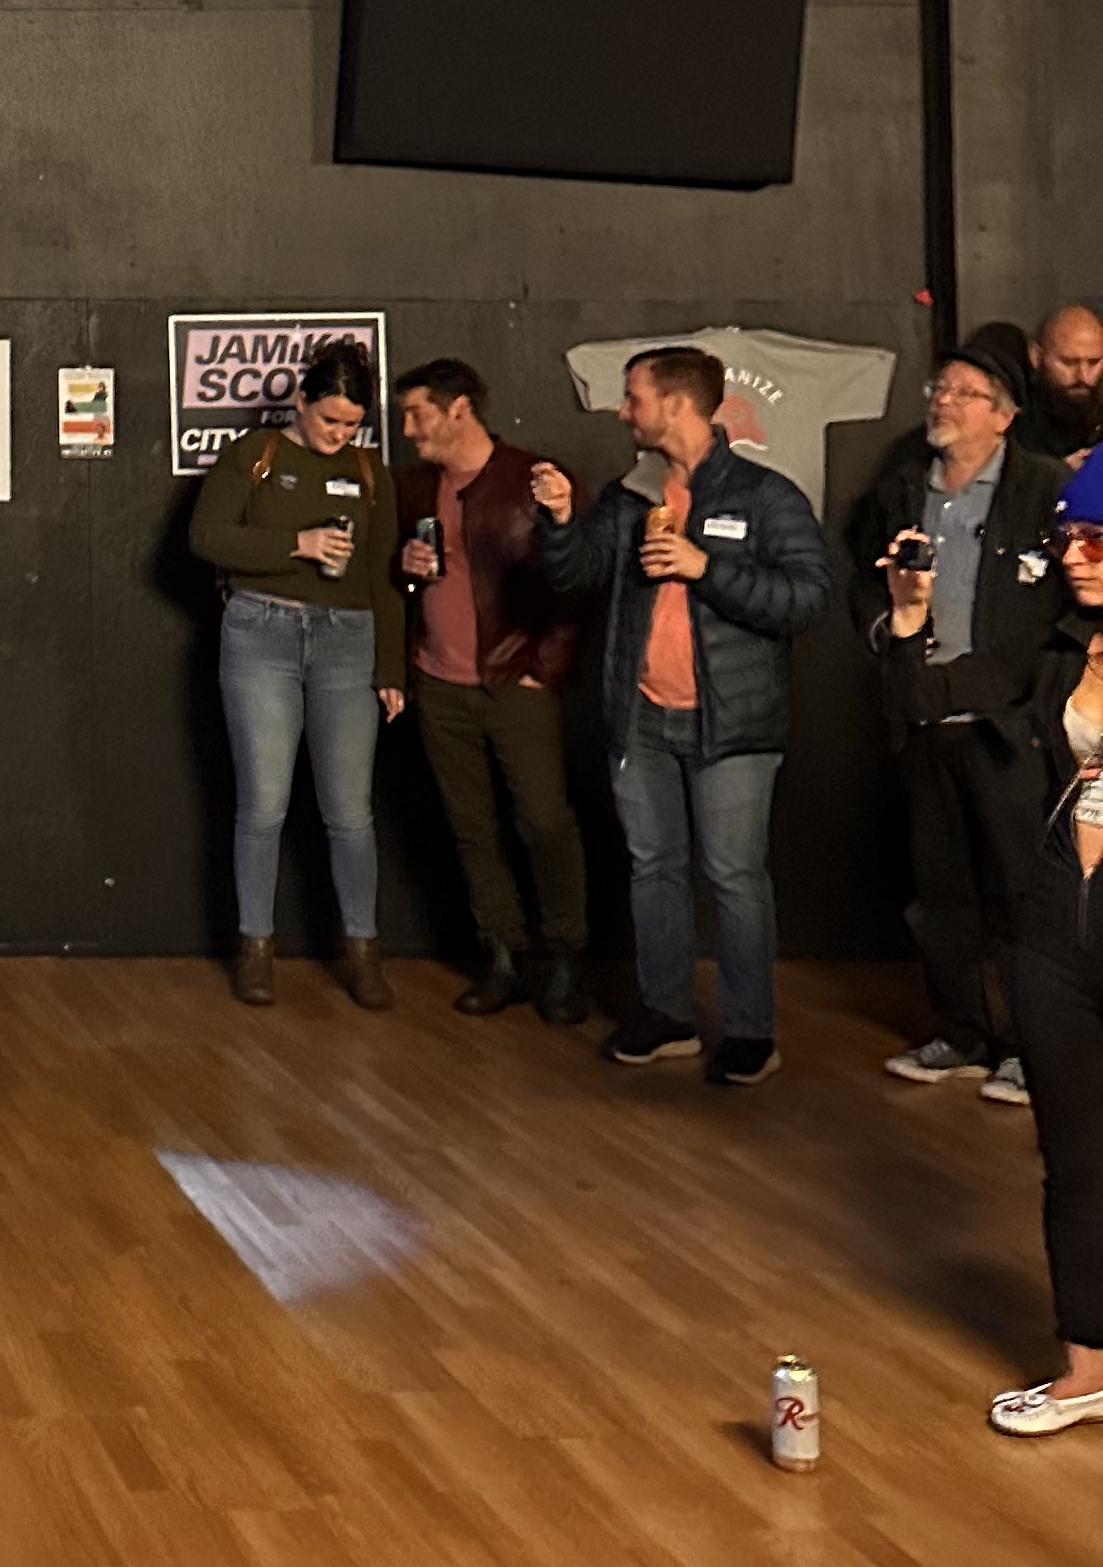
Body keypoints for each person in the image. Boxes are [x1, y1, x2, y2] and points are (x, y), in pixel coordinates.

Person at [532, 344, 832, 1085]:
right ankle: (665, 1015)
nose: (621, 409)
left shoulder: (766, 497)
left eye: (633, 397)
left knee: (733, 875)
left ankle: (750, 1031)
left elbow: (807, 600)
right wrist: (562, 519)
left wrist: (707, 567)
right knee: (652, 868)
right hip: (641, 719)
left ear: (675, 404)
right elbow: (574, 573)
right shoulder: (633, 492)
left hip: (732, 723)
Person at [884, 448, 1103, 1436]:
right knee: (1075, 1157)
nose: (1076, 557)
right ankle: (1087, 1367)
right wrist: (906, 614)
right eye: (1068, 539)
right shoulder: (1055, 651)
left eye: (1098, 540)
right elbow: (920, 699)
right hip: (1058, 923)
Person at [848, 328, 1059, 1097]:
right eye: (939, 388)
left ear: (1002, 416)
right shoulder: (904, 484)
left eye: (962, 393)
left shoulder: (1040, 490)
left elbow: (1053, 618)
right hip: (921, 723)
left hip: (1007, 729)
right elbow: (863, 582)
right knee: (940, 895)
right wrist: (890, 628)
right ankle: (961, 1032)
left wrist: (975, 687)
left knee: (1019, 897)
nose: (942, 401)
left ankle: (1030, 1049)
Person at [189, 336, 406, 1010]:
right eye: (328, 420)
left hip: (349, 642)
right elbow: (207, 538)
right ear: (300, 402)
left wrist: (390, 668)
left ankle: (363, 948)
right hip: (262, 633)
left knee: (349, 810)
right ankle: (257, 945)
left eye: (351, 424)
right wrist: (297, 545)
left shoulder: (372, 473)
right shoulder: (256, 454)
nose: (339, 434)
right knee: (264, 804)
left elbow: (383, 577)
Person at [390, 358, 592, 1026]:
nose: (409, 428)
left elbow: (579, 579)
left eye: (418, 413)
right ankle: (504, 956)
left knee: (544, 821)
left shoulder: (534, 479)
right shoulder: (415, 489)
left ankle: (565, 956)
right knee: (471, 828)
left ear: (459, 409)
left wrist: (546, 668)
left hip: (515, 682)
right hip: (441, 684)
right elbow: (399, 585)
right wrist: (404, 567)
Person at [1017, 302, 1103, 469]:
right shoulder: (1012, 420)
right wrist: (1057, 475)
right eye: (1069, 362)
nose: (1083, 376)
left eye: (1094, 362)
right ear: (1036, 356)